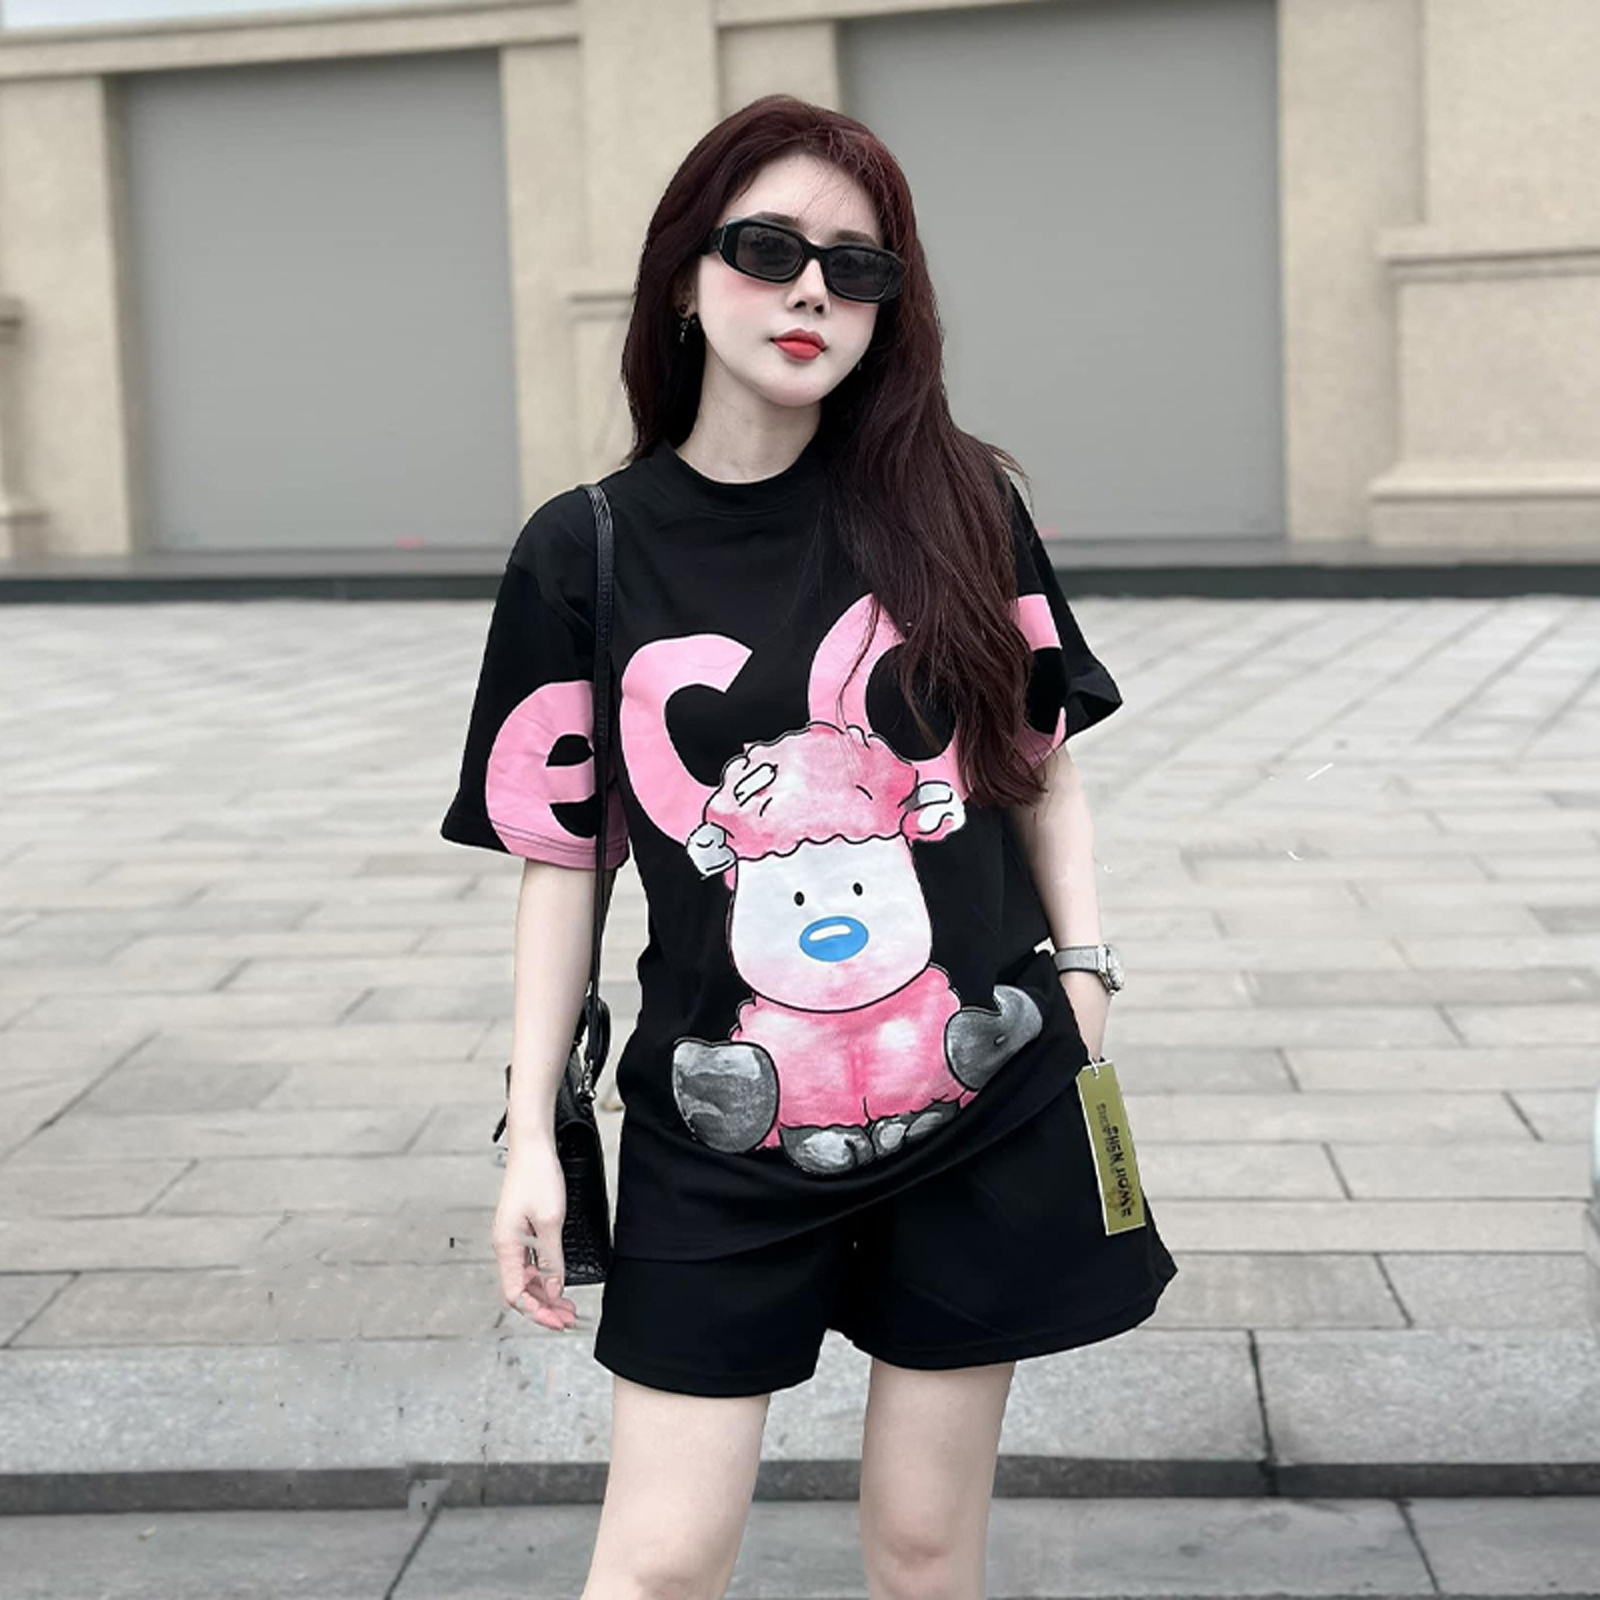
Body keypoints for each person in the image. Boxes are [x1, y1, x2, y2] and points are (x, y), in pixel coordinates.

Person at [441, 92, 1177, 1600]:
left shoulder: (960, 503)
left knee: (923, 1550)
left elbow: (1039, 765)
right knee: (659, 1563)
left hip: (976, 1104)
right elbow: (563, 861)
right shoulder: (585, 549)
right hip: (723, 1124)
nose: (812, 294)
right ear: (683, 276)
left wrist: (1086, 979)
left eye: (858, 267)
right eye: (768, 249)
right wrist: (531, 1136)